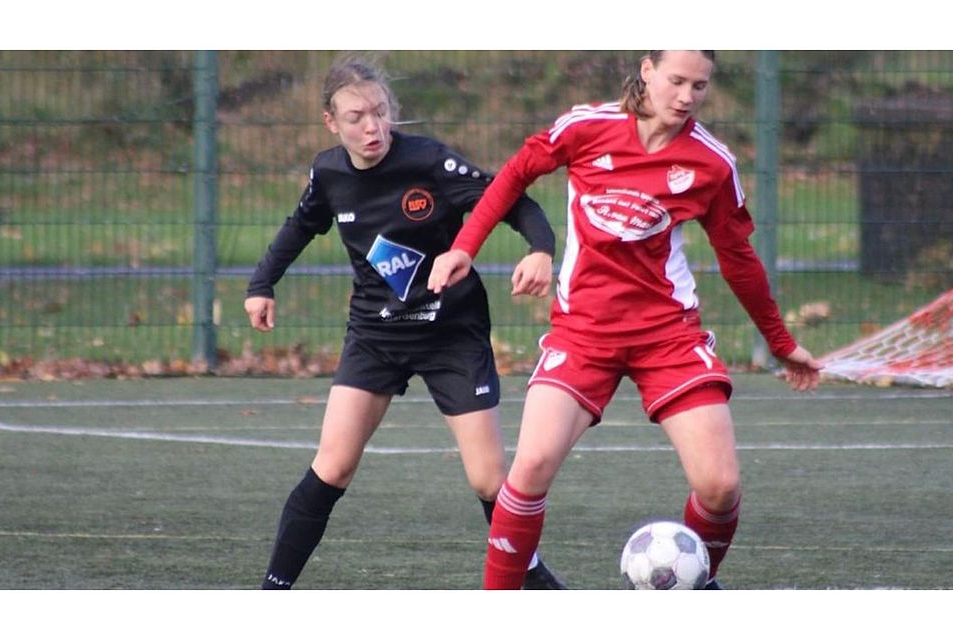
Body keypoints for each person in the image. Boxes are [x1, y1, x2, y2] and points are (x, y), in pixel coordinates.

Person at [428, 50, 823, 589]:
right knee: (530, 467)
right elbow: (516, 174)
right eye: (676, 80)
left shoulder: (711, 163)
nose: (686, 97)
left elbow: (739, 258)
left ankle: (692, 587)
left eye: (700, 86)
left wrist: (779, 341)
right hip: (583, 333)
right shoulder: (587, 128)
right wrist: (464, 246)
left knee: (720, 486)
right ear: (647, 70)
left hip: (668, 335)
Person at [244, 57, 566, 589]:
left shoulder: (430, 162)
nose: (372, 127)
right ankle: (271, 591)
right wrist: (262, 285)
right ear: (331, 122)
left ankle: (538, 586)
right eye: (356, 118)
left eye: (380, 112)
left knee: (490, 482)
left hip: (450, 336)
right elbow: (299, 226)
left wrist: (540, 249)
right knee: (332, 466)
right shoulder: (329, 174)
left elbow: (510, 200)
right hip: (376, 337)